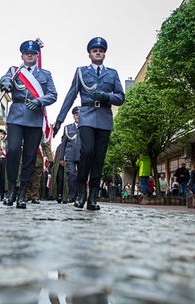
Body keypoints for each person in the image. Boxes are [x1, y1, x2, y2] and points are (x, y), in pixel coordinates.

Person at [53, 37, 124, 211]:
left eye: (100, 50)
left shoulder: (112, 73)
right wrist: (60, 119)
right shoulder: (81, 72)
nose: (98, 52)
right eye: (94, 50)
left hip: (105, 118)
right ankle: (80, 192)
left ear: (104, 53)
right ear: (89, 54)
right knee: (87, 151)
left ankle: (93, 196)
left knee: (99, 158)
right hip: (87, 116)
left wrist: (106, 96)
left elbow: (121, 97)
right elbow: (71, 96)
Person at [0, 40, 57, 209]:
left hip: (34, 118)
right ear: (22, 56)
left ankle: (23, 193)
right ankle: (11, 190)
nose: (30, 55)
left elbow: (53, 94)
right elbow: (5, 80)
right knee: (13, 150)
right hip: (16, 115)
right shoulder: (14, 71)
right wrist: (5, 83)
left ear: (37, 56)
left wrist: (39, 101)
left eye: (32, 53)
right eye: (26, 53)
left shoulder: (45, 75)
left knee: (30, 157)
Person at [56, 106, 81, 204]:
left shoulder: (85, 127)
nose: (77, 116)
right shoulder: (68, 128)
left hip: (81, 155)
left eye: (79, 114)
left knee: (81, 176)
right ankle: (71, 195)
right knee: (71, 175)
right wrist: (61, 158)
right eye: (76, 115)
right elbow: (64, 144)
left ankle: (80, 196)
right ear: (73, 116)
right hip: (70, 155)